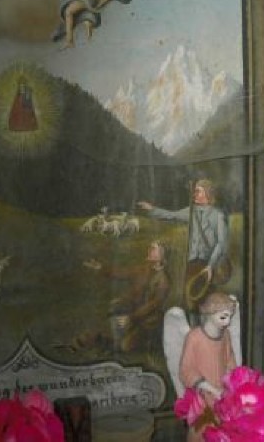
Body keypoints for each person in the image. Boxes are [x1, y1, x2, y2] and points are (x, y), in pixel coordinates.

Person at [138, 179, 230, 313]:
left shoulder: (218, 215)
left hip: (209, 265)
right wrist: (152, 209)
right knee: (189, 301)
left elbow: (221, 244)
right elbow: (171, 215)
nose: (194, 194)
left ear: (207, 194)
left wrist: (210, 266)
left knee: (206, 301)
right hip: (191, 264)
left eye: (198, 191)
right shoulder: (190, 212)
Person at [81, 240, 170, 353]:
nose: (149, 250)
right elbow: (122, 272)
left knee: (125, 346)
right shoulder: (143, 269)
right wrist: (100, 268)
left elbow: (152, 306)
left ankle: (147, 341)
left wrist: (131, 318)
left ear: (161, 255)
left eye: (153, 249)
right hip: (133, 314)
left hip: (148, 322)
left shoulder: (164, 281)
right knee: (112, 316)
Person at [179, 292, 237, 441]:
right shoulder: (194, 337)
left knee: (222, 431)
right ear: (210, 314)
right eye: (223, 317)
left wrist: (231, 385)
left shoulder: (226, 336)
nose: (228, 322)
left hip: (222, 396)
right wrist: (210, 389)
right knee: (201, 431)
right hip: (203, 397)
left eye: (230, 317)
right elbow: (186, 369)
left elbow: (230, 361)